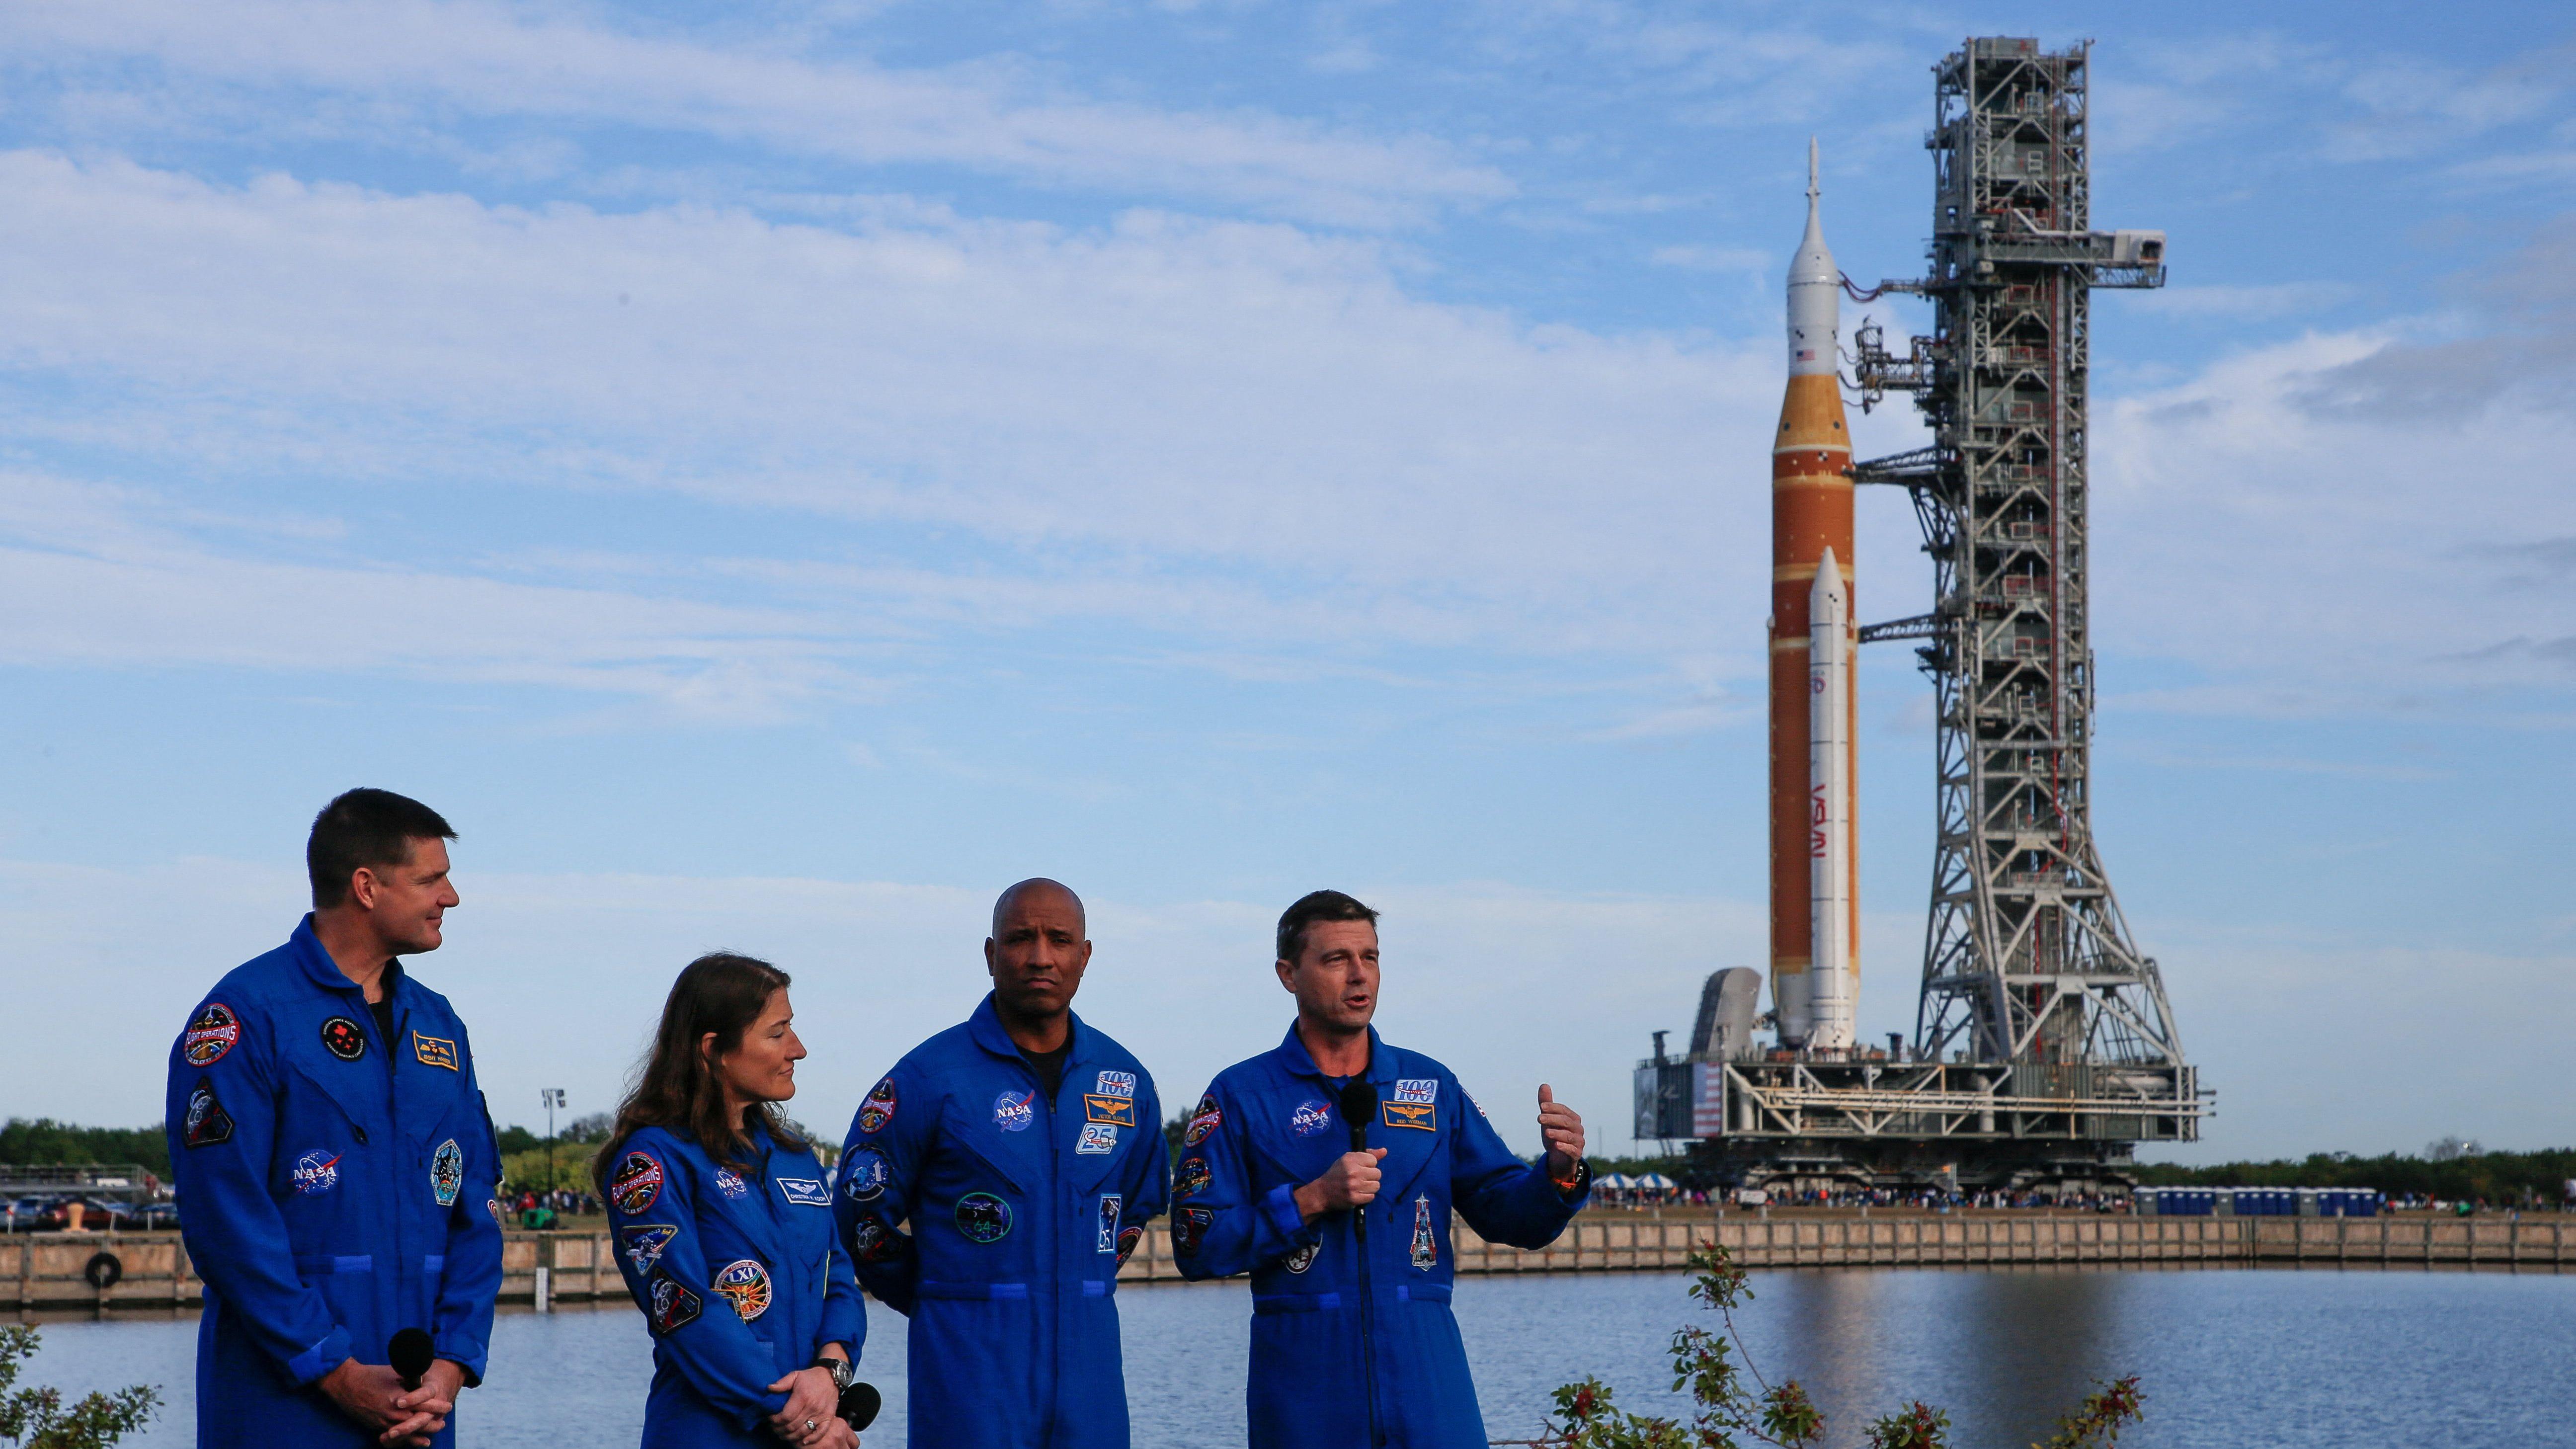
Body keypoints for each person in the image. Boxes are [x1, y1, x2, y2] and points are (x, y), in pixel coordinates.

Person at [1174, 890, 1592, 1449]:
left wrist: (1558, 1174)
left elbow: (1509, 1215)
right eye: (1335, 959)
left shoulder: (1431, 1086)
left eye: (1369, 957)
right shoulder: (1241, 1095)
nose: (1359, 976)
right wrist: (1311, 1200)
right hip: (1304, 1388)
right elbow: (1197, 1246)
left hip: (1429, 1379)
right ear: (1288, 974)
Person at [162, 789, 502, 1449]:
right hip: (282, 1406)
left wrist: (453, 1362)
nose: (451, 898)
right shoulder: (246, 1017)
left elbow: (476, 1207)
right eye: (432, 879)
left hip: (420, 1407)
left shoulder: (439, 1025)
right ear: (367, 887)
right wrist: (333, 1370)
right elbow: (226, 1218)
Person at [834, 879, 1169, 1449]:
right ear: (991, 956)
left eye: (1060, 940)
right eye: (1020, 939)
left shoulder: (1125, 1080)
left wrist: (1075, 1285)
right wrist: (947, 1297)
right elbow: (860, 1218)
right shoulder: (926, 1079)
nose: (1041, 956)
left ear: (1085, 956)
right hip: (969, 1385)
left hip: (1092, 1390)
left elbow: (1134, 1209)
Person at [598, 954, 864, 1449]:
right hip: (711, 1431)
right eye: (778, 1032)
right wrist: (798, 1416)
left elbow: (839, 1281)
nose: (798, 1050)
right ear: (715, 1048)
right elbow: (683, 1306)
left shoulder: (797, 1160)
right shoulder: (652, 1163)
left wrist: (831, 1374)